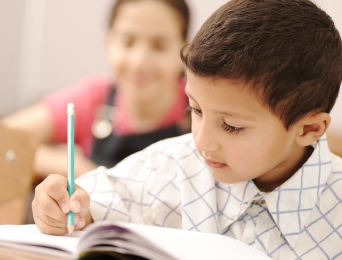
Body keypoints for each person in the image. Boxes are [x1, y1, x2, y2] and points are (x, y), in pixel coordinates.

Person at [32, 0, 342, 259]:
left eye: (232, 127)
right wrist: (61, 207)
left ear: (309, 128)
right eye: (194, 109)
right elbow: (92, 203)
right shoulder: (171, 166)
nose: (202, 141)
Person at [1, 0, 190, 180]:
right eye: (128, 42)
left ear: (185, 50)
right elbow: (5, 139)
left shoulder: (200, 107)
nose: (139, 62)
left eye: (159, 46)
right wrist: (75, 167)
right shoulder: (94, 98)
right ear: (108, 43)